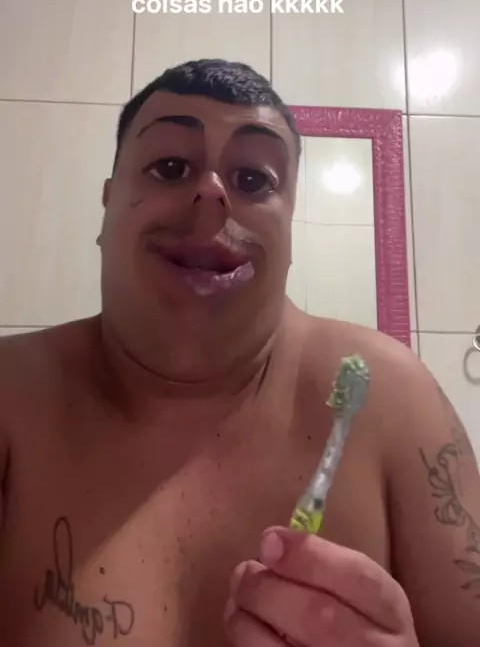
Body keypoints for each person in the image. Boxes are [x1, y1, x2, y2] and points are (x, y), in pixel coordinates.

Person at [0, 59, 478, 647]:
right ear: (108, 202)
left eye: (253, 179)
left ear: (290, 225)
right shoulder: (12, 398)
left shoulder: (395, 399)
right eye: (170, 167)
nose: (212, 192)